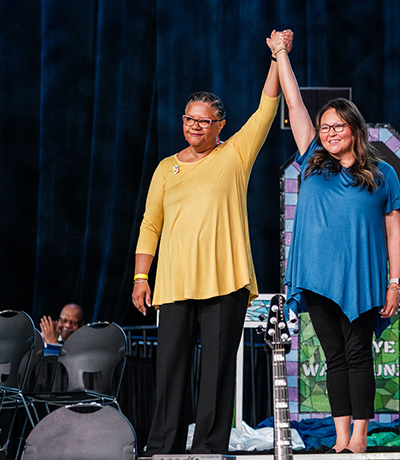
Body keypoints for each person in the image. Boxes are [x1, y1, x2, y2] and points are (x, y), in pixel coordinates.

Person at [130, 33, 284, 455]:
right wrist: (142, 275)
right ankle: (164, 448)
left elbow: (267, 108)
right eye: (188, 119)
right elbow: (150, 225)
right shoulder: (166, 168)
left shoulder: (234, 155)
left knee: (217, 376)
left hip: (224, 281)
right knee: (170, 373)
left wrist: (276, 57)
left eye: (203, 121)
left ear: (220, 125)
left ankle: (208, 449)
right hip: (175, 283)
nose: (194, 127)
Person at [268, 31, 400, 454]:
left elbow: (394, 232)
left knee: (359, 355)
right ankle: (341, 438)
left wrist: (395, 283)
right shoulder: (311, 160)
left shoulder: (383, 174)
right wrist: (281, 55)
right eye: (324, 126)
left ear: (354, 129)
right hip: (317, 276)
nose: (328, 132)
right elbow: (293, 102)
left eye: (337, 126)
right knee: (334, 358)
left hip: (362, 278)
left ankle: (360, 438)